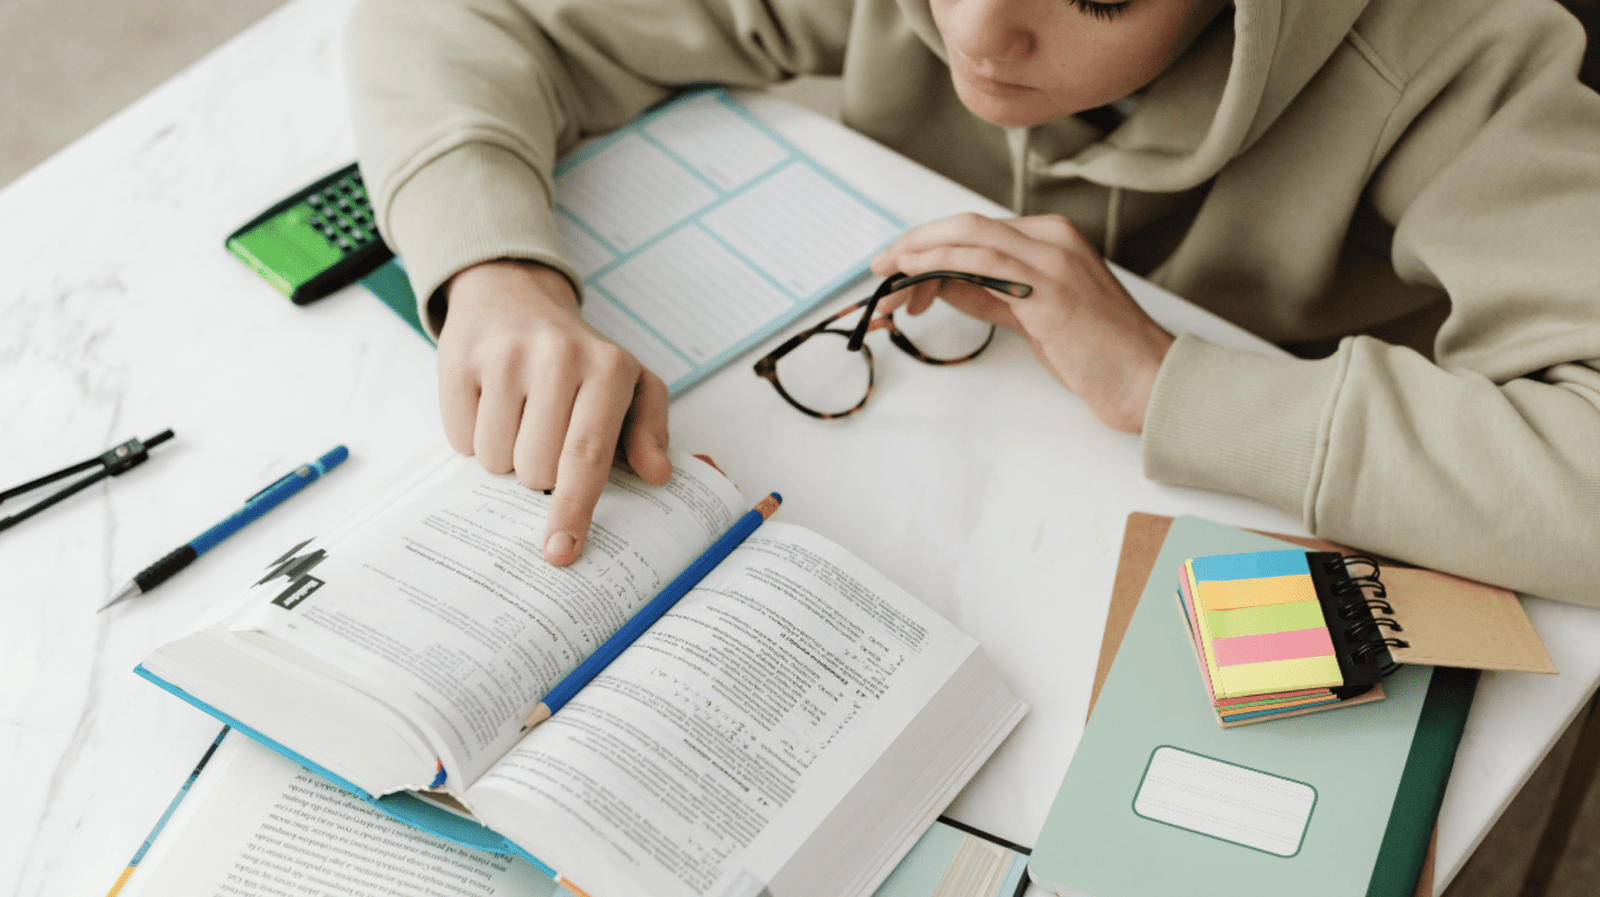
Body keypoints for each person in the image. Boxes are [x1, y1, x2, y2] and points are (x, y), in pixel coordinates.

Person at [346, 0, 1600, 606]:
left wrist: (1170, 379)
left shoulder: (1464, 55)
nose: (982, 40)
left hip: (1266, 545)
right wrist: (492, 271)